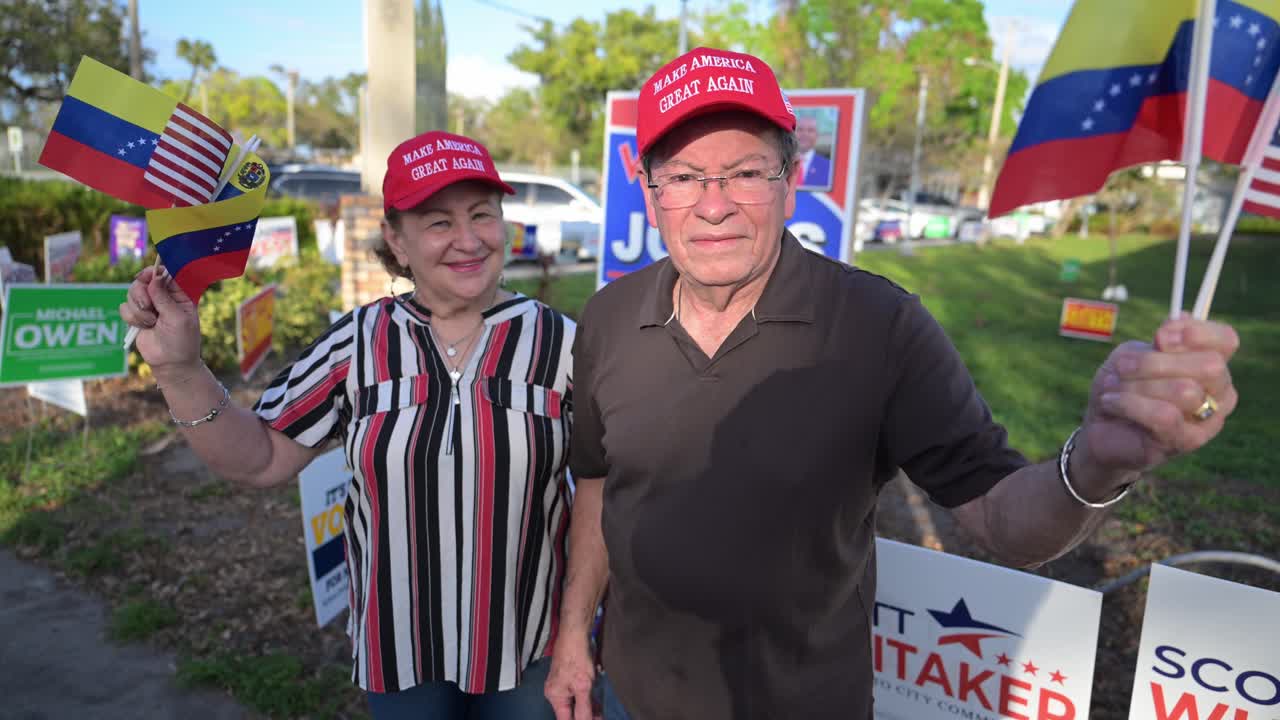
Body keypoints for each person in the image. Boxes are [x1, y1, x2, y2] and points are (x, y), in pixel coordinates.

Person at [544, 47, 1240, 720]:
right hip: (630, 696)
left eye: (746, 173)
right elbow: (599, 486)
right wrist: (574, 634)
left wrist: (1097, 462)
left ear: (791, 181)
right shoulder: (609, 316)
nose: (714, 205)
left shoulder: (877, 325)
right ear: (649, 191)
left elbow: (1006, 523)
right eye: (684, 177)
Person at [120, 131, 573, 720]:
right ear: (396, 240)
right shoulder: (357, 343)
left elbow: (605, 487)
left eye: (482, 215)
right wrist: (179, 369)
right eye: (438, 222)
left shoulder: (563, 344)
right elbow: (261, 458)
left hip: (530, 648)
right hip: (401, 654)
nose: (468, 240)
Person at [795, 112, 832, 190]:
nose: (804, 134)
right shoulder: (781, 163)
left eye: (810, 130)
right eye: (800, 129)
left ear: (817, 135)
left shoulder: (828, 167)